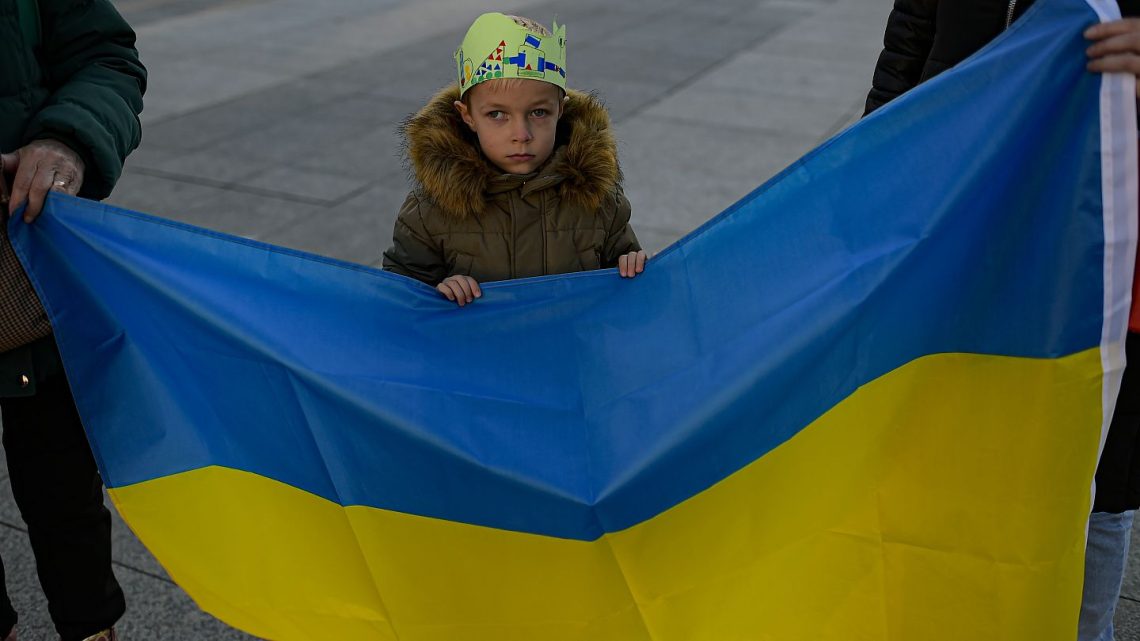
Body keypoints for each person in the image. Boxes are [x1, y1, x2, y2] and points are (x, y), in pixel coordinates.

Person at [864, 3, 1140, 640]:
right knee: (956, 445)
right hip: (961, 227)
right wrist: (874, 175)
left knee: (1098, 476)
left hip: (1105, 252)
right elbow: (908, 44)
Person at [0, 0, 146, 640]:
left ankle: (91, 629)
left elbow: (105, 55)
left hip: (32, 268)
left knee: (62, 483)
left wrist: (66, 140)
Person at [382, 12, 646, 305]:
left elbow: (624, 287)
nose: (521, 134)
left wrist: (632, 269)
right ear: (467, 116)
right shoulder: (431, 209)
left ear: (560, 110)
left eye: (539, 112)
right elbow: (399, 293)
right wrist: (437, 291)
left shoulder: (597, 199)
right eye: (497, 114)